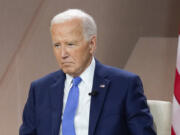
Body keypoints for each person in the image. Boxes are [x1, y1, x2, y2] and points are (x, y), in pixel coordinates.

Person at [19, 9, 156, 135]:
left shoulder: (124, 85)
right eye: (57, 45)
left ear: (92, 44)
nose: (63, 54)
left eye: (70, 44)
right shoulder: (40, 90)